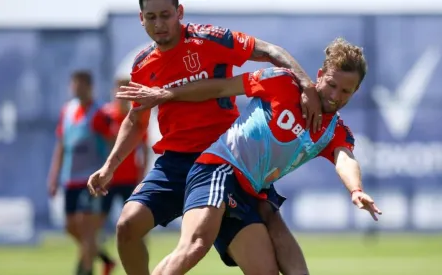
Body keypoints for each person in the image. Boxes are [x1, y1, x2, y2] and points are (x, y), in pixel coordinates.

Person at [87, 0, 322, 274]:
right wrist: (109, 167)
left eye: (165, 15)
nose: (159, 24)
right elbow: (136, 120)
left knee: (263, 269)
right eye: (151, 17)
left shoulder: (209, 39)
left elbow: (270, 51)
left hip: (226, 162)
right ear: (141, 18)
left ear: (180, 12)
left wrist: (306, 84)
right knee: (127, 226)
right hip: (175, 164)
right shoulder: (143, 66)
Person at [117, 37, 383, 274]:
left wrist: (356, 190)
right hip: (218, 168)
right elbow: (221, 88)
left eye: (346, 91)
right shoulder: (282, 82)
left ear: (356, 91)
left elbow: (345, 158)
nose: (335, 96)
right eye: (332, 85)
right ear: (320, 75)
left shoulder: (335, 131)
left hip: (250, 191)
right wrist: (167, 94)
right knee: (195, 246)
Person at [47, 71, 115, 275]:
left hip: (90, 180)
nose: (77, 88)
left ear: (89, 87)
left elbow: (112, 142)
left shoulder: (99, 113)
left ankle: (85, 270)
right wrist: (53, 176)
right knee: (70, 227)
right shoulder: (67, 111)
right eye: (74, 84)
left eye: (81, 84)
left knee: (86, 229)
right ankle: (104, 258)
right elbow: (61, 145)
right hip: (70, 179)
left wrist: (107, 170)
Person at [97, 78, 150, 275]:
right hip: (108, 180)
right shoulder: (105, 115)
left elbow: (143, 148)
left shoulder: (136, 116)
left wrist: (142, 176)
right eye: (119, 90)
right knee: (94, 226)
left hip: (130, 181)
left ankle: (140, 264)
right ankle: (104, 260)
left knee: (135, 225)